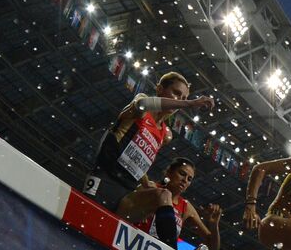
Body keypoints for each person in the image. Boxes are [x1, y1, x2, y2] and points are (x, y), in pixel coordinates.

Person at [83, 71, 215, 210]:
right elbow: (143, 104)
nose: (178, 101)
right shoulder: (142, 105)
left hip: (127, 190)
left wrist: (146, 183)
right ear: (159, 89)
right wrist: (189, 103)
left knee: (162, 197)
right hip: (105, 177)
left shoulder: (166, 135)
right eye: (176, 93)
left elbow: (139, 162)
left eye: (183, 97)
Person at [116, 158, 221, 250]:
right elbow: (126, 209)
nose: (185, 180)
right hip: (131, 244)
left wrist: (214, 225)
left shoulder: (186, 207)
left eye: (189, 179)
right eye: (182, 174)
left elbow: (212, 247)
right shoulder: (151, 189)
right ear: (169, 172)